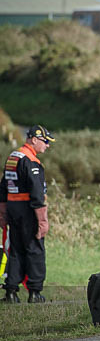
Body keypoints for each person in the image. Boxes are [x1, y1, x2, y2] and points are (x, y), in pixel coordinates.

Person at [0, 125, 55, 303]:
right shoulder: (31, 161)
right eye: (45, 141)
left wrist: (3, 213)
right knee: (35, 249)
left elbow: (2, 188)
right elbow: (37, 194)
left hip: (13, 208)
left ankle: (10, 292)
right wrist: (42, 220)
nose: (47, 146)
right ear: (34, 139)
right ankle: (35, 292)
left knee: (15, 249)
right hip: (28, 210)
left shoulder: (13, 157)